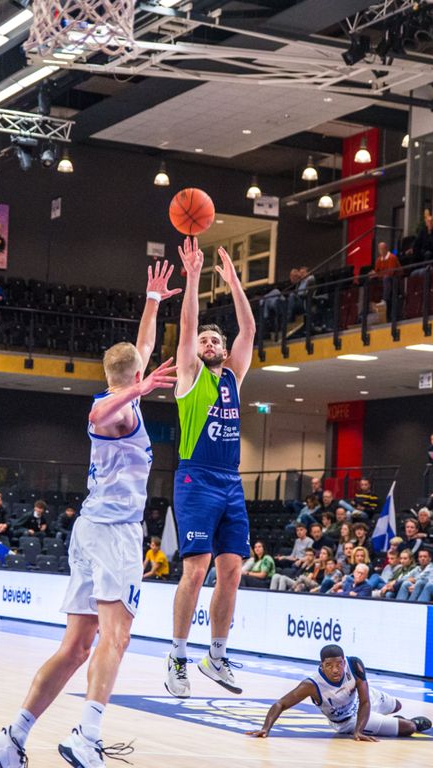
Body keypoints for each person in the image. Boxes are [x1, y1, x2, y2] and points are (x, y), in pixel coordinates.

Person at [0, 259, 179, 768]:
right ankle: (86, 735)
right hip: (113, 533)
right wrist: (137, 389)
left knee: (76, 647)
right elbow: (95, 414)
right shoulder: (117, 408)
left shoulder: (127, 394)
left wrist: (152, 301)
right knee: (118, 636)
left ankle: (12, 736)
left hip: (91, 529)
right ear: (134, 378)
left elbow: (142, 349)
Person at [163, 237, 254, 699]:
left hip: (230, 481)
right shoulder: (190, 374)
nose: (211, 342)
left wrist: (235, 283)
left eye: (216, 339)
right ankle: (177, 657)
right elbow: (187, 325)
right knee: (196, 569)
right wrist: (194, 276)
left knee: (232, 569)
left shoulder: (233, 377)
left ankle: (216, 656)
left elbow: (248, 330)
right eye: (205, 340)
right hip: (195, 478)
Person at [246, 645, 432, 741]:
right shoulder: (312, 685)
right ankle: (403, 723)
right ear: (322, 665)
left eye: (339, 664)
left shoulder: (355, 664)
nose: (335, 670)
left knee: (397, 705)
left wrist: (360, 730)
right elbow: (280, 704)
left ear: (344, 661)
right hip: (347, 720)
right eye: (329, 665)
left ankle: (389, 719)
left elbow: (365, 701)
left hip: (362, 701)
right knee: (409, 728)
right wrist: (266, 728)